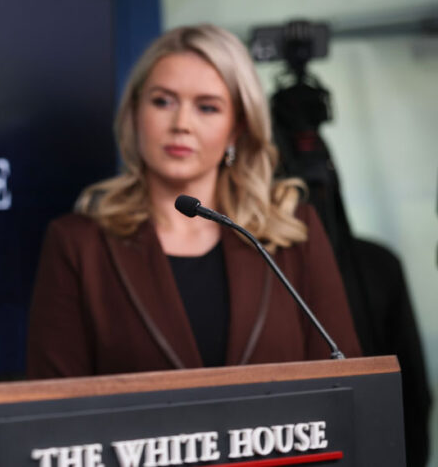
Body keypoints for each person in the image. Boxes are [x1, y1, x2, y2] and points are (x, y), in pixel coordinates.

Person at [26, 24, 361, 378]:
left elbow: (344, 388)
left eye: (207, 107)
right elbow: (56, 407)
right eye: (163, 102)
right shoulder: (78, 244)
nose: (181, 123)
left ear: (237, 127)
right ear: (135, 113)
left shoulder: (296, 232)